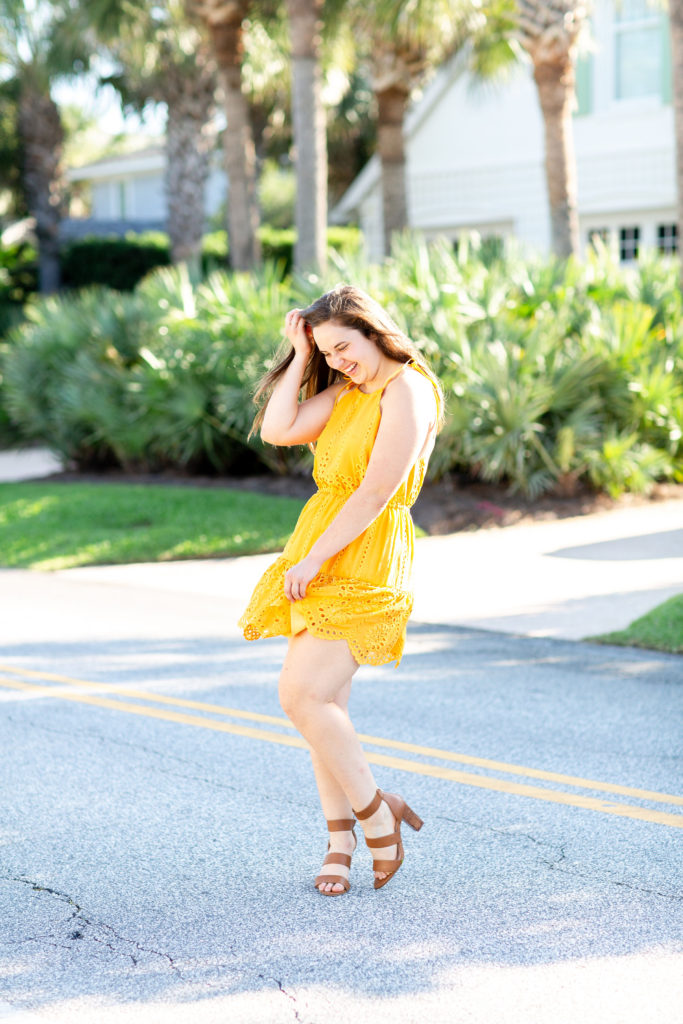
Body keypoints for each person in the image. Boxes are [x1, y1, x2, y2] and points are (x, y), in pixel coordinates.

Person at [239, 284, 443, 896]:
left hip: (363, 553)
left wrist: (316, 559)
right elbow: (279, 429)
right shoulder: (348, 392)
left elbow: (377, 492)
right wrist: (299, 356)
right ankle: (340, 842)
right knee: (325, 710)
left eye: (343, 346)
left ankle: (377, 813)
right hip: (321, 548)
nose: (340, 360)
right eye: (328, 352)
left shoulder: (407, 389)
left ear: (373, 330)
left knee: (302, 697)